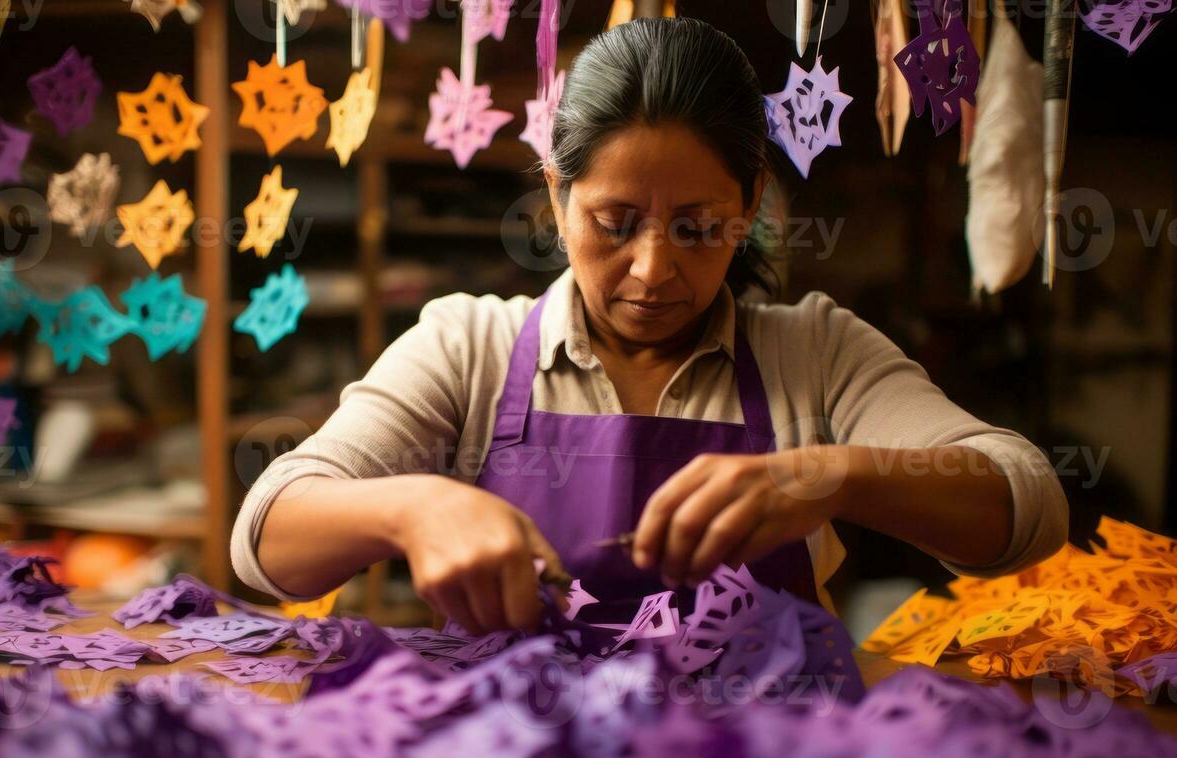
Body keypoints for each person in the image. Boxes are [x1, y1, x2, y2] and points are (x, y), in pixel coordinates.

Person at [231, 17, 1068, 635]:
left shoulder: (814, 352)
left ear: (747, 209)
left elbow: (1023, 505)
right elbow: (263, 542)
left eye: (699, 227)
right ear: (557, 200)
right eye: (614, 221)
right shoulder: (468, 347)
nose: (653, 270)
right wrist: (411, 509)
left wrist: (833, 475)